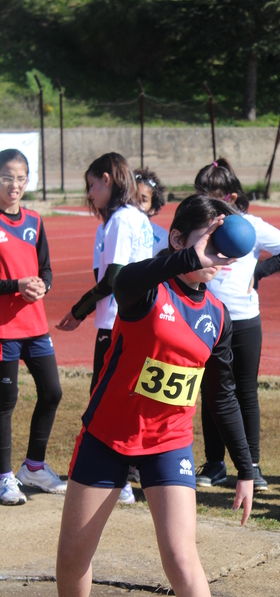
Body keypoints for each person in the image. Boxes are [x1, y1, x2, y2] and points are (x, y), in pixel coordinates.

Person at [23, 195, 254, 597]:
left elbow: (221, 396)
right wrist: (187, 256)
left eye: (224, 250)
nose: (219, 258)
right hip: (106, 437)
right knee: (74, 553)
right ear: (178, 240)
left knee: (180, 557)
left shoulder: (217, 315)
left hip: (168, 444)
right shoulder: (145, 289)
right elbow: (123, 278)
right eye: (210, 244)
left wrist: (248, 469)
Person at [193, 158, 280, 490]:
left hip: (243, 321)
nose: (206, 203)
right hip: (206, 319)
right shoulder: (201, 228)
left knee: (245, 392)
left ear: (229, 196)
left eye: (211, 196)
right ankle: (215, 464)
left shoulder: (251, 226)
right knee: (210, 390)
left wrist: (259, 273)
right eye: (201, 195)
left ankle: (252, 465)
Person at [58, 152, 154, 504]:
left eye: (91, 185)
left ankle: (115, 479)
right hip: (138, 319)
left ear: (106, 179)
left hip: (115, 322)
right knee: (132, 397)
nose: (90, 193)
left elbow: (113, 278)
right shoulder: (137, 218)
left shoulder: (118, 222)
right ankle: (131, 473)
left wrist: (78, 310)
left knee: (105, 399)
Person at [0, 148, 65, 505]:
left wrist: (43, 285)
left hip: (35, 327)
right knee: (5, 402)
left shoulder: (35, 221)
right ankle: (4, 476)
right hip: (3, 330)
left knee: (52, 392)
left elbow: (46, 269)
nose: (15, 184)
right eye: (7, 176)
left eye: (21, 178)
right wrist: (15, 286)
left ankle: (33, 467)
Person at [134, 167, 169, 255]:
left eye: (143, 200)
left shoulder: (162, 237)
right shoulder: (112, 229)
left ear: (152, 209)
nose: (136, 203)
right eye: (133, 197)